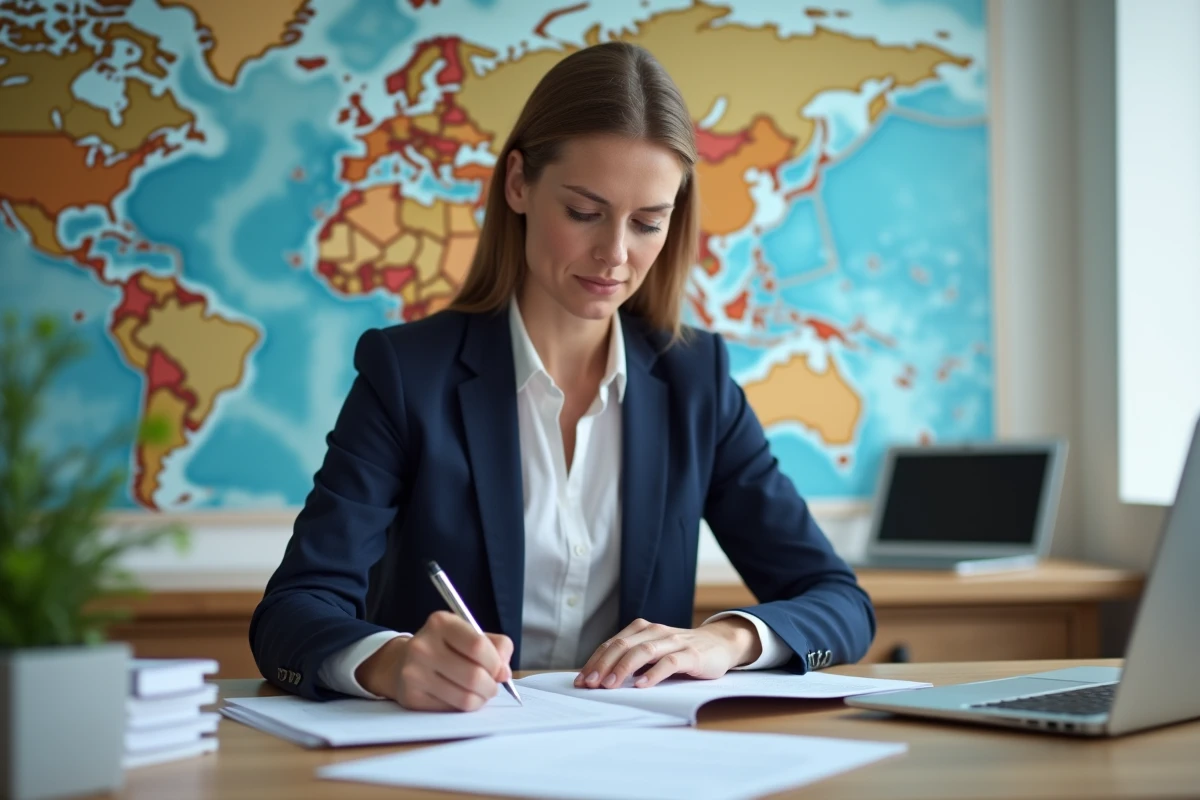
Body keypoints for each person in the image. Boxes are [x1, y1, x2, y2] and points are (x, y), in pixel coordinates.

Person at [250, 41, 875, 711]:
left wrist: (726, 640)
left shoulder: (698, 382)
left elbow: (840, 603)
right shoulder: (407, 374)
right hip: (448, 747)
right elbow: (293, 610)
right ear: (518, 182)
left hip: (634, 753)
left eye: (647, 223)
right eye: (584, 213)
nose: (615, 255)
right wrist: (390, 661)